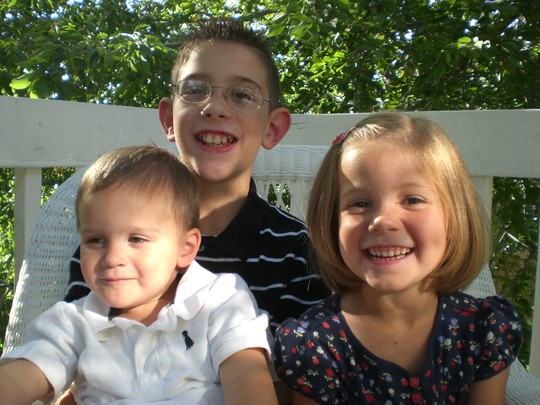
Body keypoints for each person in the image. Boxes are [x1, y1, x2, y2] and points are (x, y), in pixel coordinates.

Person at [64, 17, 328, 334]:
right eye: (195, 89)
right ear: (169, 120)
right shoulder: (111, 243)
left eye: (242, 95)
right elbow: (72, 343)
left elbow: (300, 363)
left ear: (272, 128)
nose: (215, 107)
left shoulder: (298, 253)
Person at [273, 112, 523, 404]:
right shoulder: (314, 346)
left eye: (412, 200)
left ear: (454, 218)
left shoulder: (482, 330)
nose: (383, 221)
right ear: (332, 223)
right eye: (360, 203)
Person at [0, 146, 276, 405]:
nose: (112, 258)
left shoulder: (221, 301)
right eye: (95, 240)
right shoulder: (74, 323)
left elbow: (247, 379)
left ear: (185, 247)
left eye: (136, 239)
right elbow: (22, 376)